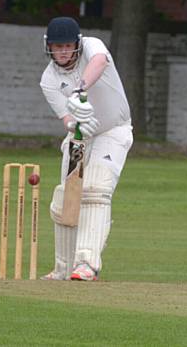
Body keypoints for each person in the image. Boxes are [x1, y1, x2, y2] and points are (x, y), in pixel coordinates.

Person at [39, 16, 133, 281]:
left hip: (114, 130)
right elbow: (67, 119)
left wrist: (79, 91)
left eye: (67, 45)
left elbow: (100, 62)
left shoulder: (93, 45)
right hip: (81, 136)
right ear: (49, 47)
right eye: (57, 47)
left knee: (96, 189)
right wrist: (73, 126)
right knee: (67, 195)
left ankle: (86, 265)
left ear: (77, 43)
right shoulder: (48, 79)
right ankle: (63, 267)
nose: (63, 52)